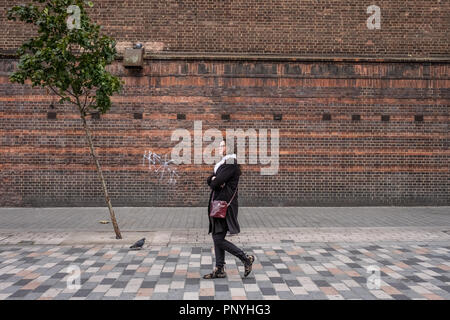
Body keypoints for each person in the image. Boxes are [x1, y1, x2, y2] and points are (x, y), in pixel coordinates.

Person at [202, 139, 255, 279]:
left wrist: (215, 180)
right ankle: (219, 269)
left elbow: (216, 182)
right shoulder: (225, 163)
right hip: (220, 205)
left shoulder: (231, 163)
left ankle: (245, 258)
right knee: (217, 236)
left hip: (225, 206)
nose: (219, 148)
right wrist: (213, 179)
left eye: (222, 146)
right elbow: (212, 180)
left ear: (228, 148)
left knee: (218, 238)